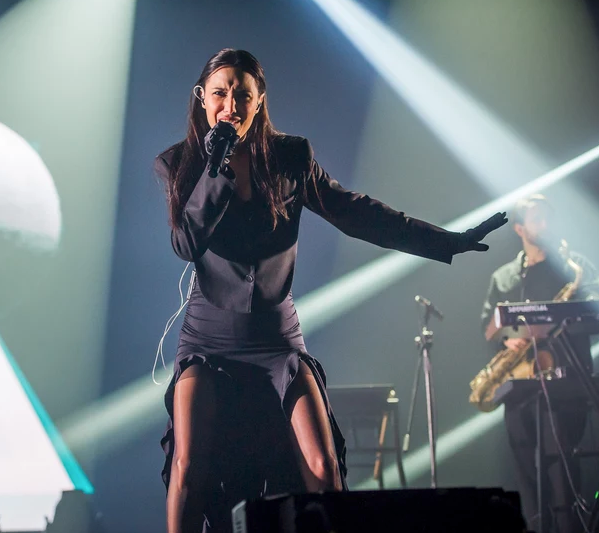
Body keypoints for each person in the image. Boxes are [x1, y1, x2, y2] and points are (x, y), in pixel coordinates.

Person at [155, 48, 507, 533]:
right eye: (220, 93)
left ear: (259, 102)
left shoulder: (290, 157)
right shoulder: (180, 163)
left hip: (277, 340)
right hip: (210, 338)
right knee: (189, 465)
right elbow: (186, 243)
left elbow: (358, 213)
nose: (230, 105)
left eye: (242, 95)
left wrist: (447, 241)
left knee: (322, 467)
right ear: (202, 99)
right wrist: (217, 167)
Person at [480, 194, 598, 533]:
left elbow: (594, 309)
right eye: (537, 220)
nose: (545, 225)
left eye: (548, 218)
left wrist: (553, 324)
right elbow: (488, 326)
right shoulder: (504, 277)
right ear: (519, 229)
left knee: (563, 470)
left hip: (567, 383)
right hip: (519, 387)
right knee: (526, 475)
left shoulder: (573, 266)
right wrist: (507, 339)